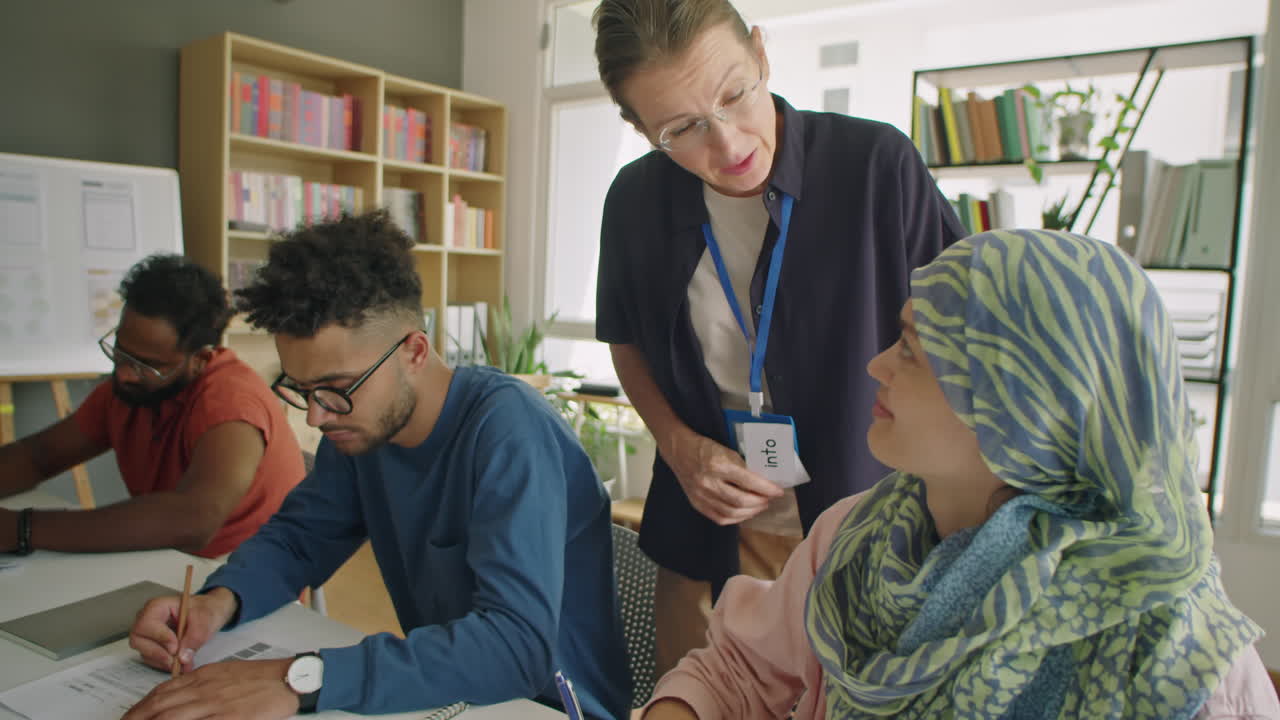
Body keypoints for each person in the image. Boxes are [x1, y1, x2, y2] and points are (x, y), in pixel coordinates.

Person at [640, 229, 1280, 720]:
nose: (878, 365)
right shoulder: (851, 538)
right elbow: (736, 673)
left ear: (1018, 405)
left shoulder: (1181, 652)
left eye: (913, 350)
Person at [123, 211, 630, 720]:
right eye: (302, 390)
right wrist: (221, 602)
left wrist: (298, 678)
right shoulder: (363, 427)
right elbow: (301, 537)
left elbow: (514, 649)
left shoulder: (509, 431)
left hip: (545, 707)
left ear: (413, 351)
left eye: (337, 389)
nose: (318, 416)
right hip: (450, 694)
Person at [592, 0, 966, 673]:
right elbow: (626, 340)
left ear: (762, 54)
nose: (729, 144)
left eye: (736, 94)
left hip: (866, 530)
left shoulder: (877, 166)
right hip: (707, 529)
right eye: (682, 128)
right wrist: (676, 447)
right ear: (639, 127)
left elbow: (963, 337)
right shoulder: (634, 202)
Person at [0, 254, 303, 558]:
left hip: (236, 581)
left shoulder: (230, 403)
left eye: (149, 365)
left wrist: (22, 528)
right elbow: (37, 456)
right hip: (167, 563)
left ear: (199, 359)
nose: (124, 373)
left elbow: (193, 521)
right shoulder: (127, 391)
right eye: (121, 352)